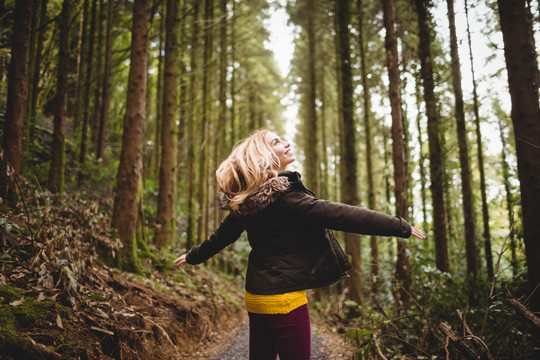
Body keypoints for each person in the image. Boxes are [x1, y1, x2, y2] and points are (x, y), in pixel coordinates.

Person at [174, 129, 425, 360]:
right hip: (285, 300)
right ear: (265, 156)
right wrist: (398, 226)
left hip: (255, 297)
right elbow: (343, 215)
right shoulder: (289, 199)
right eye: (276, 142)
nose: (286, 143)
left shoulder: (246, 203)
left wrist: (194, 256)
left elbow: (222, 237)